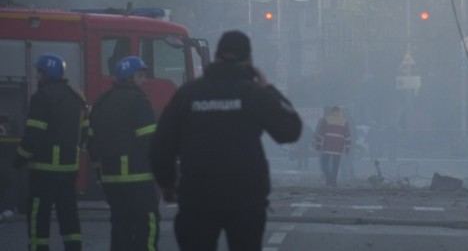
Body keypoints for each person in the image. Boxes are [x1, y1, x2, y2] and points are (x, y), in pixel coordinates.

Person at [150, 30, 302, 251]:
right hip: (245, 199)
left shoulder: (188, 94)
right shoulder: (253, 93)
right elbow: (290, 130)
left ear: (216, 56)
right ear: (248, 60)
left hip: (197, 197)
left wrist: (167, 183)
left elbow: (161, 144)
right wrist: (267, 88)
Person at [13, 54, 87, 251]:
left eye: (39, 72)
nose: (37, 76)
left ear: (46, 73)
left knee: (39, 213)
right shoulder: (76, 96)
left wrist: (18, 160)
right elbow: (86, 130)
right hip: (69, 168)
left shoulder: (42, 97)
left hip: (44, 170)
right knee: (68, 212)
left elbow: (33, 135)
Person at [88, 56, 159, 251]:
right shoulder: (138, 100)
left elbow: (91, 142)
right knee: (148, 222)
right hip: (138, 177)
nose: (144, 80)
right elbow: (149, 141)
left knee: (121, 226)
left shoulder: (101, 102)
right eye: (140, 76)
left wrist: (99, 174)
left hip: (111, 179)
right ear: (129, 78)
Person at [313, 106, 351, 187]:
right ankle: (333, 181)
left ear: (331, 111)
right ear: (339, 111)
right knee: (335, 165)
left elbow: (320, 133)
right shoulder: (344, 121)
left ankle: (329, 178)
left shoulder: (326, 119)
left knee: (324, 162)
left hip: (327, 145)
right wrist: (347, 147)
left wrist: (318, 145)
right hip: (338, 147)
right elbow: (347, 135)